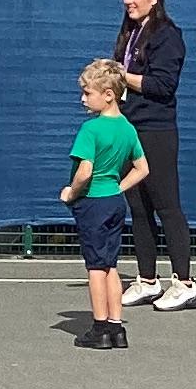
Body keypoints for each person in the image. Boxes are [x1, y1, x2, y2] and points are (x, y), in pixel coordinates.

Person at [112, 0, 196, 312]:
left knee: (167, 207)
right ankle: (147, 280)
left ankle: (185, 284)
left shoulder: (167, 35)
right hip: (129, 130)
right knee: (138, 207)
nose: (128, 1)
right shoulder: (130, 33)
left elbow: (162, 86)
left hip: (157, 132)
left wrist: (121, 76)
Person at [61, 57, 150, 350]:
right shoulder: (127, 128)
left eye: (88, 93)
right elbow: (142, 168)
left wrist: (71, 193)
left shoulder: (91, 130)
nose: (83, 99)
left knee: (96, 268)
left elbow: (85, 172)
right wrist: (116, 188)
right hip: (114, 203)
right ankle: (116, 327)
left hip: (94, 205)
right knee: (110, 265)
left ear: (108, 94)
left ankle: (99, 328)